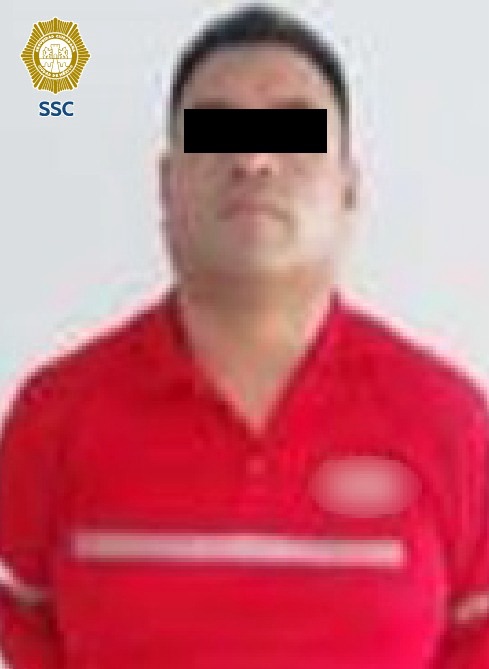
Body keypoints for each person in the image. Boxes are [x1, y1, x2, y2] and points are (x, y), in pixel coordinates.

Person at [1, 4, 488, 668]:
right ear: (166, 185)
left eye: (294, 131)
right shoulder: (54, 414)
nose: (253, 159)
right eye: (216, 130)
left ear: (348, 186)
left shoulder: (449, 421)